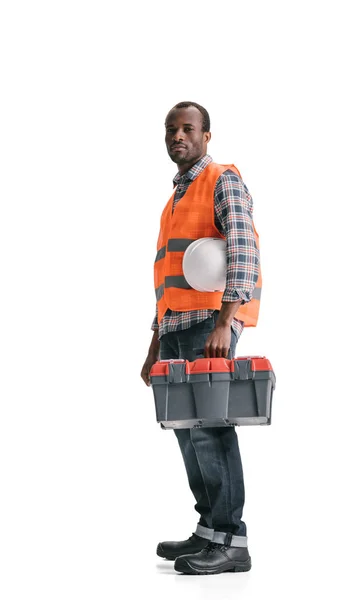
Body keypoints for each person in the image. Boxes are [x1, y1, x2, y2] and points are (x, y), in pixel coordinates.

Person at [140, 101, 261, 576]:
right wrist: (153, 343)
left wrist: (224, 322)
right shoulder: (174, 198)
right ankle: (210, 530)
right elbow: (169, 274)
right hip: (174, 327)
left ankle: (232, 541)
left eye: (188, 128)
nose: (178, 136)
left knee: (210, 431)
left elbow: (242, 248)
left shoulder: (222, 179)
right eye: (171, 129)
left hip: (208, 324)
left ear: (206, 136)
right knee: (188, 436)